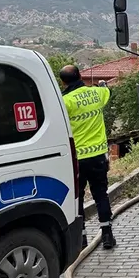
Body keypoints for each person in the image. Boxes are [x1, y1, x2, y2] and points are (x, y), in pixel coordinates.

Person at [59, 65, 116, 249]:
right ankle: (107, 235)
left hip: (77, 160)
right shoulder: (96, 94)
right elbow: (106, 91)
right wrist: (102, 84)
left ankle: (81, 239)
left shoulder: (65, 101)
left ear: (63, 81)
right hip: (98, 156)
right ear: (80, 76)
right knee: (101, 194)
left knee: (79, 198)